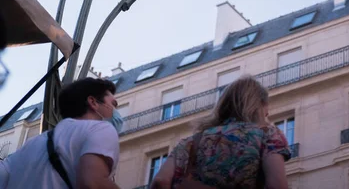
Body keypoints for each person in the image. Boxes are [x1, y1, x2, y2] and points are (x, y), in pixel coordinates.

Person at [150, 75, 290, 189]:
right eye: (266, 108)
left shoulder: (191, 142)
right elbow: (277, 186)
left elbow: (160, 181)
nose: (268, 113)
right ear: (257, 106)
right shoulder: (269, 135)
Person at [0, 77, 123, 188]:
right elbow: (92, 183)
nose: (116, 111)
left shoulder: (29, 146)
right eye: (113, 104)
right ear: (93, 102)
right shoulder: (100, 129)